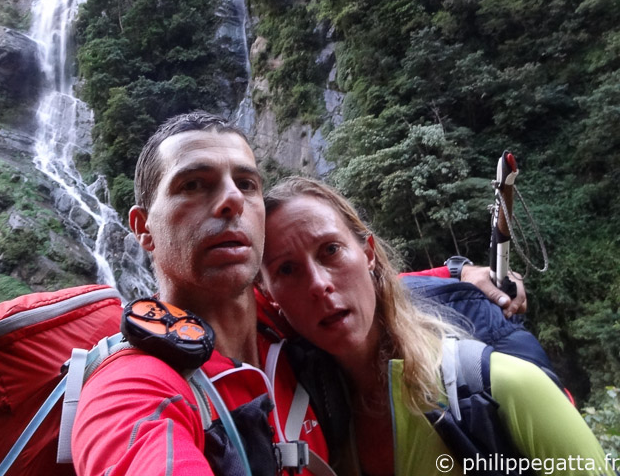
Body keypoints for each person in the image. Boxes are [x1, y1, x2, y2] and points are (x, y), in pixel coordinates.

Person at [71, 111, 527, 476]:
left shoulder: (283, 318)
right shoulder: (133, 389)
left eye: (246, 184)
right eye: (194, 184)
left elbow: (354, 284)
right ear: (142, 228)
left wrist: (456, 272)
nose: (232, 200)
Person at [259, 176, 612, 476]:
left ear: (368, 253)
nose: (318, 284)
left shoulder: (503, 387)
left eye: (331, 250)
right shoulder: (317, 426)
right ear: (270, 297)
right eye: (286, 270)